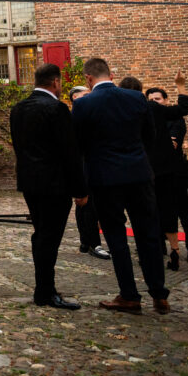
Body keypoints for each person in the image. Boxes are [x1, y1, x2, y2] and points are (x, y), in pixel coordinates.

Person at [73, 57, 170, 314]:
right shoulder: (136, 98)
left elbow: (79, 146)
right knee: (148, 234)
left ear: (88, 79)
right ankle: (159, 294)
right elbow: (150, 136)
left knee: (116, 236)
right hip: (138, 175)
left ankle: (129, 295)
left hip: (105, 179)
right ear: (111, 74)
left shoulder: (83, 104)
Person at [10, 63, 89, 310]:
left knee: (41, 234)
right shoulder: (56, 108)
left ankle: (44, 288)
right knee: (48, 238)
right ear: (55, 82)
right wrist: (80, 189)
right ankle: (45, 291)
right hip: (55, 185)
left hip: (30, 183)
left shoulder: (18, 109)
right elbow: (70, 152)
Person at [143, 76, 188, 268]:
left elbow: (174, 142)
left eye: (157, 99)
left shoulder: (175, 120)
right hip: (158, 172)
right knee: (157, 209)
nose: (153, 102)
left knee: (183, 210)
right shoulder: (149, 118)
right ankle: (161, 247)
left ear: (165, 101)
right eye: (150, 99)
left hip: (175, 172)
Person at [68, 86, 110, 260]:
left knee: (88, 205)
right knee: (86, 205)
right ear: (75, 98)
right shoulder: (73, 118)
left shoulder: (91, 115)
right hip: (82, 165)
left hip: (94, 164)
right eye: (86, 95)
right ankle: (93, 243)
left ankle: (86, 241)